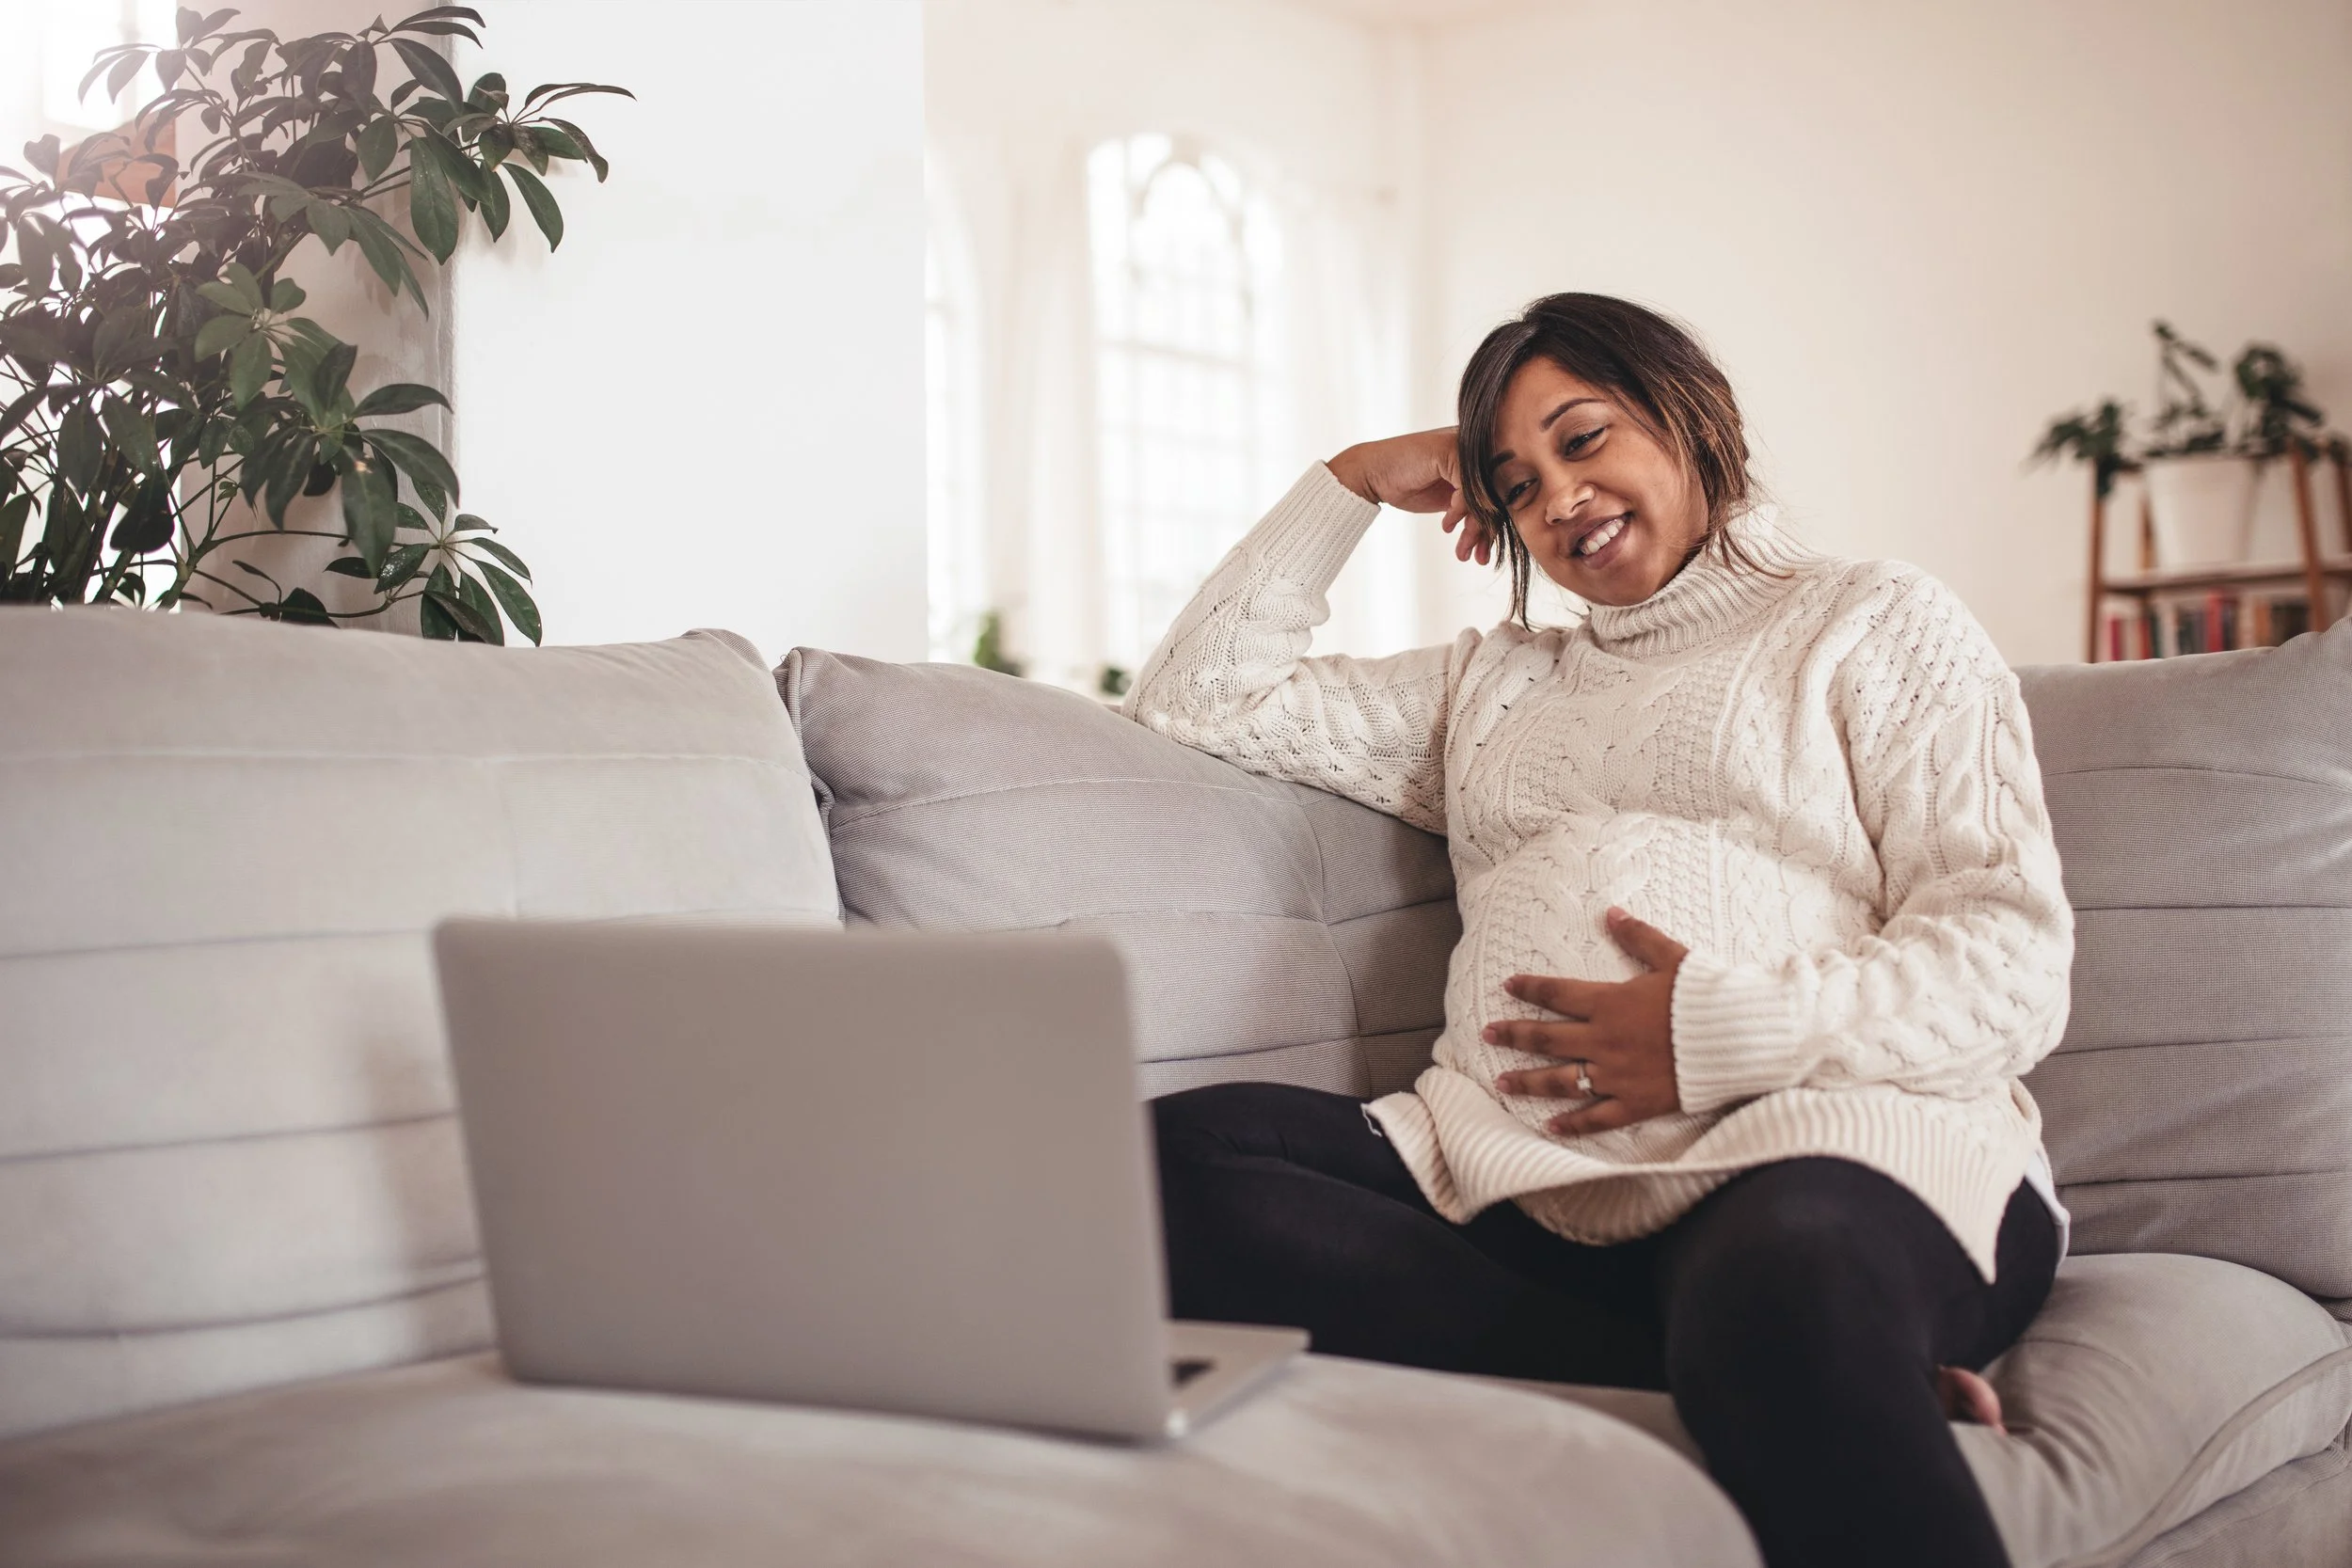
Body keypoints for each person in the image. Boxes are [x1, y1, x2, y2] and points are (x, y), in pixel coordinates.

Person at [1122, 293, 2073, 1568]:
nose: (1557, 497)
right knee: (1156, 1172)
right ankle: (1775, 1375)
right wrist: (1347, 483)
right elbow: (1196, 701)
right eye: (1514, 483)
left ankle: (1786, 1342)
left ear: (1699, 419)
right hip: (1515, 1179)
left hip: (1834, 1149)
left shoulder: (1873, 620)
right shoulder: (1489, 681)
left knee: (1780, 1277)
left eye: (1584, 439)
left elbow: (2012, 959)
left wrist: (1717, 1036)